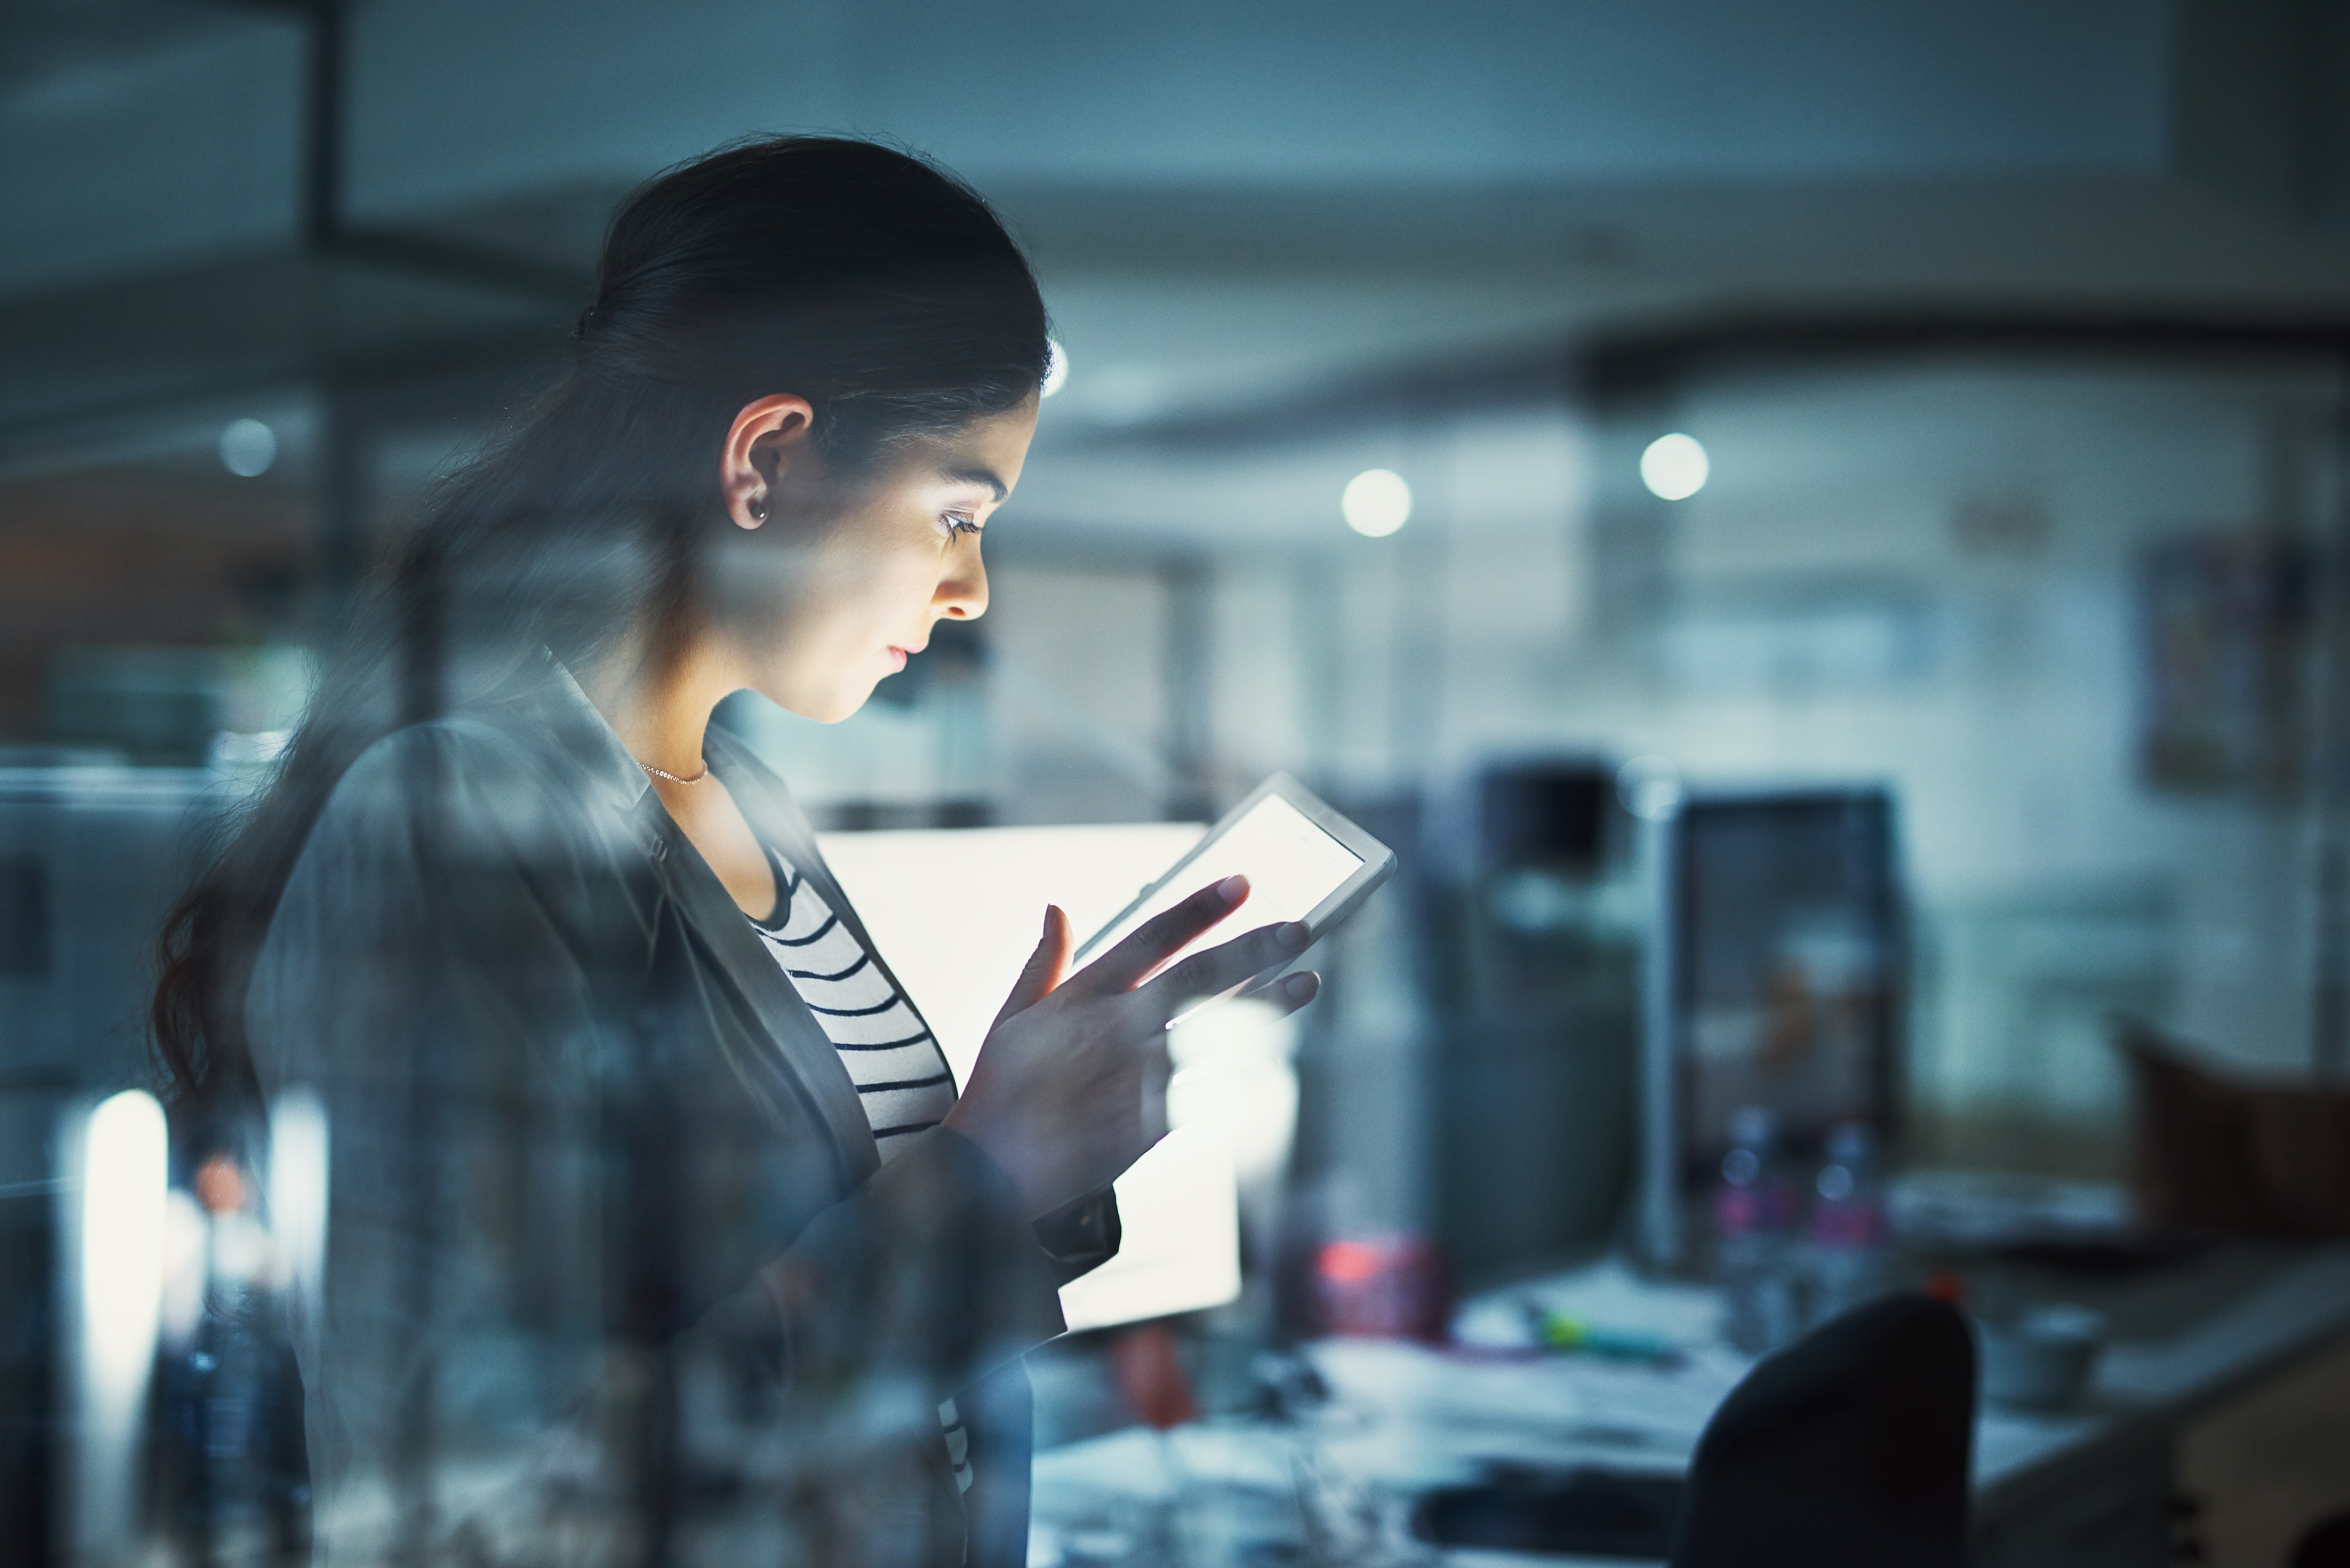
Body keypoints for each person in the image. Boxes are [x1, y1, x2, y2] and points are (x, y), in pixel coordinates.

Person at [152, 135, 1319, 1567]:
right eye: (957, 514)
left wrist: (1046, 1141)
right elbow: (476, 1496)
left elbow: (858, 1307)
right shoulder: (454, 817)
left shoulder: (744, 803)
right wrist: (974, 1180)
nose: (970, 589)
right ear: (766, 459)